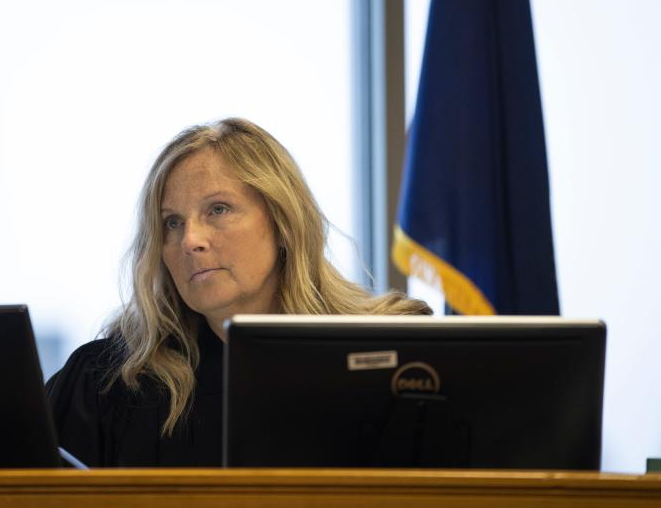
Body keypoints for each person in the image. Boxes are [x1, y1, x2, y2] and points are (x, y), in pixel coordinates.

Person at [46, 118, 431, 467]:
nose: (189, 241)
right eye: (172, 223)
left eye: (218, 210)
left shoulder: (399, 355)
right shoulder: (107, 384)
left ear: (284, 223)